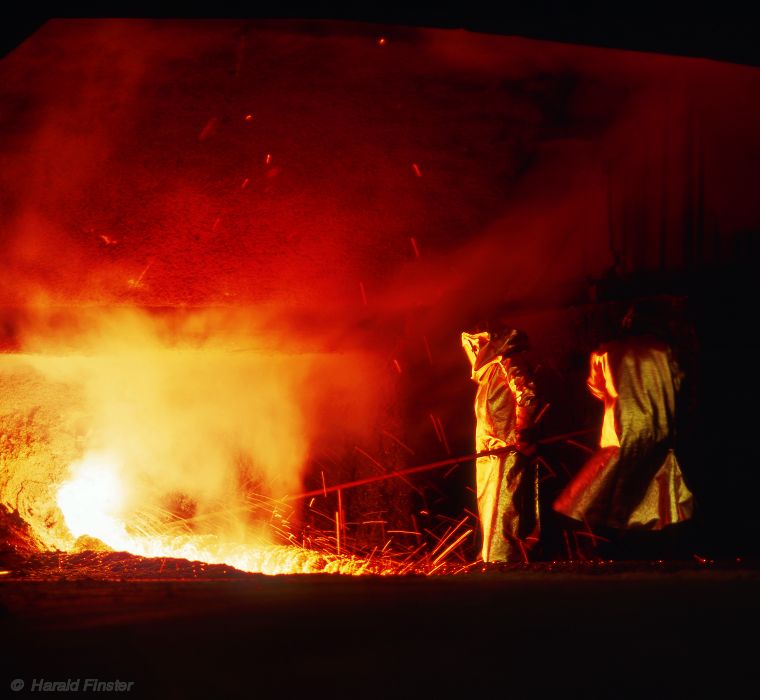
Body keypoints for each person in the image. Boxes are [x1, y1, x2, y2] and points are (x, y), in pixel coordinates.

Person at [553, 299, 694, 548]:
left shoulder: (604, 352)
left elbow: (595, 388)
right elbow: (679, 382)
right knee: (656, 483)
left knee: (611, 485)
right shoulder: (664, 350)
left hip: (620, 429)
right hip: (658, 428)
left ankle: (614, 540)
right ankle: (658, 541)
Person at [461, 325, 542, 563]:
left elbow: (527, 395)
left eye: (481, 345)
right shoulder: (491, 372)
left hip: (507, 448)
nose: (477, 350)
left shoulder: (511, 363)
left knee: (505, 505)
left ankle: (504, 560)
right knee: (489, 505)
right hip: (489, 449)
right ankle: (490, 557)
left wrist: (523, 432)